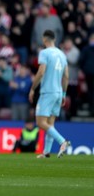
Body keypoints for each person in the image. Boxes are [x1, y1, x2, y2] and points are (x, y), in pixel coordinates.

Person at [28, 30, 70, 159]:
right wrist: (63, 94)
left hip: (48, 92)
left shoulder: (44, 53)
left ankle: (62, 141)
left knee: (41, 122)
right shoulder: (62, 55)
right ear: (54, 39)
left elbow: (41, 72)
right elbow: (66, 77)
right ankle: (46, 152)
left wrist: (33, 88)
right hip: (58, 92)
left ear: (44, 39)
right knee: (50, 124)